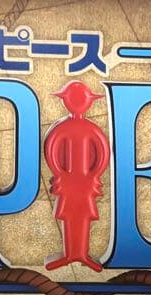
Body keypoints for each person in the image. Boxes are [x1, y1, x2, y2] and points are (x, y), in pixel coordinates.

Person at [43, 81, 111, 271]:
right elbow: (53, 151)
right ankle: (71, 255)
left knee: (82, 214)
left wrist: (92, 174)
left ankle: (80, 254)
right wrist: (61, 173)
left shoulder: (86, 129)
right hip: (72, 183)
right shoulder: (67, 129)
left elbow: (102, 153)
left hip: (81, 183)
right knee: (70, 214)